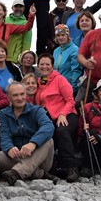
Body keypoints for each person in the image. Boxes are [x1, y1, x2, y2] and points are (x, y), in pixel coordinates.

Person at [0, 82, 56, 185]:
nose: (20, 98)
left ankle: (16, 173)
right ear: (8, 97)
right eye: (15, 95)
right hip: (19, 156)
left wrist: (33, 143)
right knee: (0, 156)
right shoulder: (3, 114)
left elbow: (48, 126)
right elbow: (4, 134)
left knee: (49, 141)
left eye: (22, 94)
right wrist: (9, 148)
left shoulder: (37, 110)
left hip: (40, 158)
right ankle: (39, 174)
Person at [35, 53, 81, 182]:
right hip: (50, 117)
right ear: (38, 67)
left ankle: (72, 167)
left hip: (67, 114)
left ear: (52, 66)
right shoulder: (39, 83)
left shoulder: (60, 79)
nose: (44, 67)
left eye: (47, 64)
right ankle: (53, 167)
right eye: (41, 64)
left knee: (62, 130)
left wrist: (62, 114)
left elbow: (70, 100)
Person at [52, 24, 81, 93]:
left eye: (63, 35)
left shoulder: (74, 49)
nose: (60, 37)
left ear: (67, 36)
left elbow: (76, 71)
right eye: (58, 35)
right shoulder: (56, 51)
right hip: (56, 86)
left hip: (68, 87)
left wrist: (73, 88)